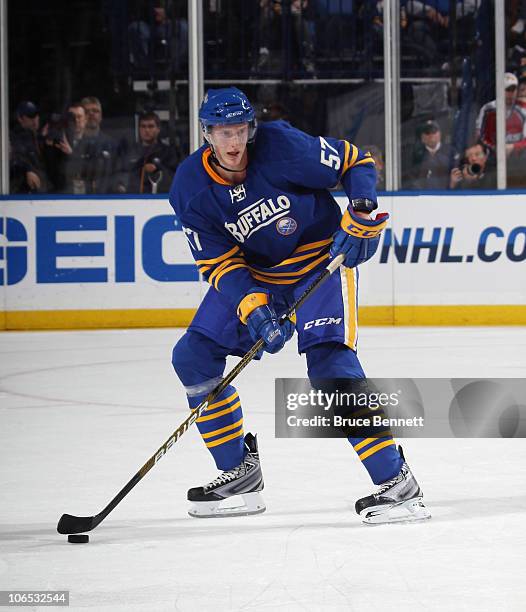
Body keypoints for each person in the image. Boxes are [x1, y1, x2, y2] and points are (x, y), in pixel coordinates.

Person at [169, 87, 430, 524]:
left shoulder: (282, 146)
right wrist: (255, 309)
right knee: (193, 357)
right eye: (222, 133)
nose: (233, 144)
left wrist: (362, 214)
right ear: (206, 135)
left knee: (330, 368)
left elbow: (355, 162)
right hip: (258, 277)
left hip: (320, 264)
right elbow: (218, 261)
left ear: (251, 129)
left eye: (239, 131)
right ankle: (238, 473)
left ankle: (397, 482)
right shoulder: (190, 187)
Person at [116, 111, 179, 193]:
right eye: (143, 126)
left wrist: (158, 169)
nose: (146, 130)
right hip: (133, 199)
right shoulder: (130, 151)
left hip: (161, 199)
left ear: (158, 129)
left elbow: (175, 177)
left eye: (151, 126)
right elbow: (122, 176)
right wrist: (141, 170)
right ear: (139, 129)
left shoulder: (168, 152)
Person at [9, 101, 49, 193]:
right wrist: (27, 169)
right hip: (24, 192)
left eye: (36, 115)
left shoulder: (39, 137)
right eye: (30, 116)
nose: (35, 119)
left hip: (42, 191)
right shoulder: (15, 137)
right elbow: (16, 157)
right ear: (20, 119)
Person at [410, 119, 455, 189]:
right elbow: (413, 178)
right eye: (427, 132)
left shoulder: (451, 152)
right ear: (422, 137)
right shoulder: (416, 155)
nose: (431, 135)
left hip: (446, 195)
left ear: (440, 134)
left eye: (434, 131)